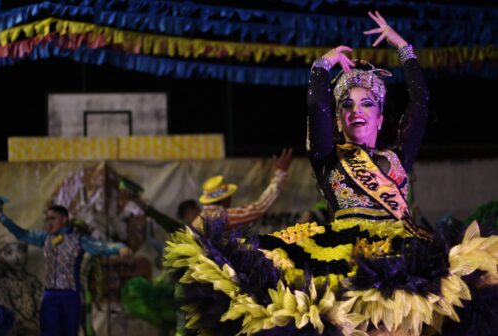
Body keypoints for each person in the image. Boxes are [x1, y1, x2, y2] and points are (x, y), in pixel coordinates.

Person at [164, 12, 498, 336]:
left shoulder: (398, 155)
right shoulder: (327, 156)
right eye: (347, 106)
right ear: (338, 121)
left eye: (367, 104)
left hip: (405, 250)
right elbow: (315, 106)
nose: (357, 111)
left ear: (381, 119)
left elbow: (421, 103)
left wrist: (405, 49)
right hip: (344, 253)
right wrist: (320, 68)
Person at [0, 203, 132, 336]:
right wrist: (2, 217)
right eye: (47, 219)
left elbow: (102, 248)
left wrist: (120, 248)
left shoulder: (79, 239)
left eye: (53, 218)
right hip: (50, 295)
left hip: (70, 295)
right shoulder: (45, 238)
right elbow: (22, 234)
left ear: (64, 219)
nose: (49, 222)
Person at [191, 148, 292, 231]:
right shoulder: (221, 216)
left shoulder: (200, 219)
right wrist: (281, 173)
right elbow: (259, 208)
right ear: (225, 198)